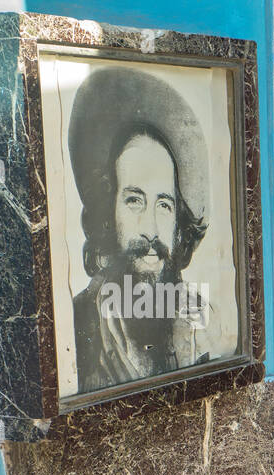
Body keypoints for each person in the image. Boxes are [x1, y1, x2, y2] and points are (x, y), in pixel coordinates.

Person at [66, 67, 227, 393]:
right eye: (135, 201)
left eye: (164, 204)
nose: (151, 230)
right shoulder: (77, 322)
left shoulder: (201, 317)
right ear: (109, 213)